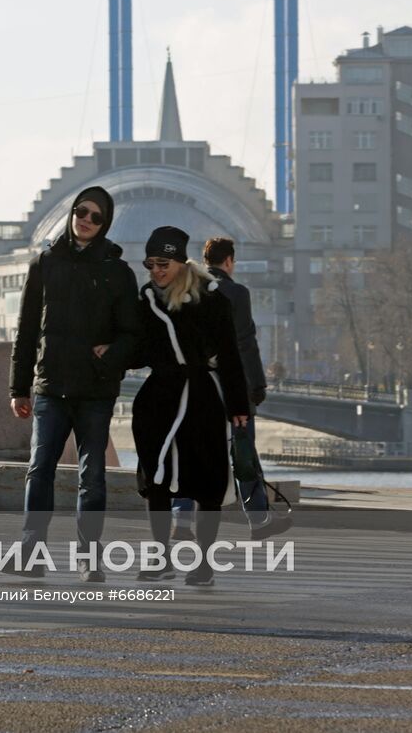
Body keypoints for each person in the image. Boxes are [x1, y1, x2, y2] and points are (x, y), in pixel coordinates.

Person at [8, 186, 143, 583]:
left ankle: (89, 558)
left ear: (105, 224)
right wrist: (18, 387)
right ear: (72, 213)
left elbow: (133, 334)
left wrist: (111, 354)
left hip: (96, 391)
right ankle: (31, 552)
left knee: (93, 474)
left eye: (96, 216)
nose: (86, 220)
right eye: (81, 211)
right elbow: (27, 329)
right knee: (39, 469)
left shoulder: (117, 271)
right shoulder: (45, 262)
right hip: (50, 386)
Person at [132, 226, 249, 587]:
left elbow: (230, 353)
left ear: (181, 263)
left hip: (201, 398)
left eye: (163, 263)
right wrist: (110, 352)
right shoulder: (147, 299)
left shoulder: (211, 299)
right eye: (150, 263)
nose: (156, 270)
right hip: (159, 399)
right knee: (156, 478)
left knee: (206, 482)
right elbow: (140, 349)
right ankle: (161, 557)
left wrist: (238, 404)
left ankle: (203, 563)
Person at [172, 236, 285, 541]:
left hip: (195, 389)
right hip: (232, 389)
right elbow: (245, 344)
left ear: (205, 260)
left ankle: (181, 521)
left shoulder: (187, 291)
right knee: (243, 452)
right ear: (230, 261)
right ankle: (259, 521)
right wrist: (257, 386)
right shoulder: (236, 293)